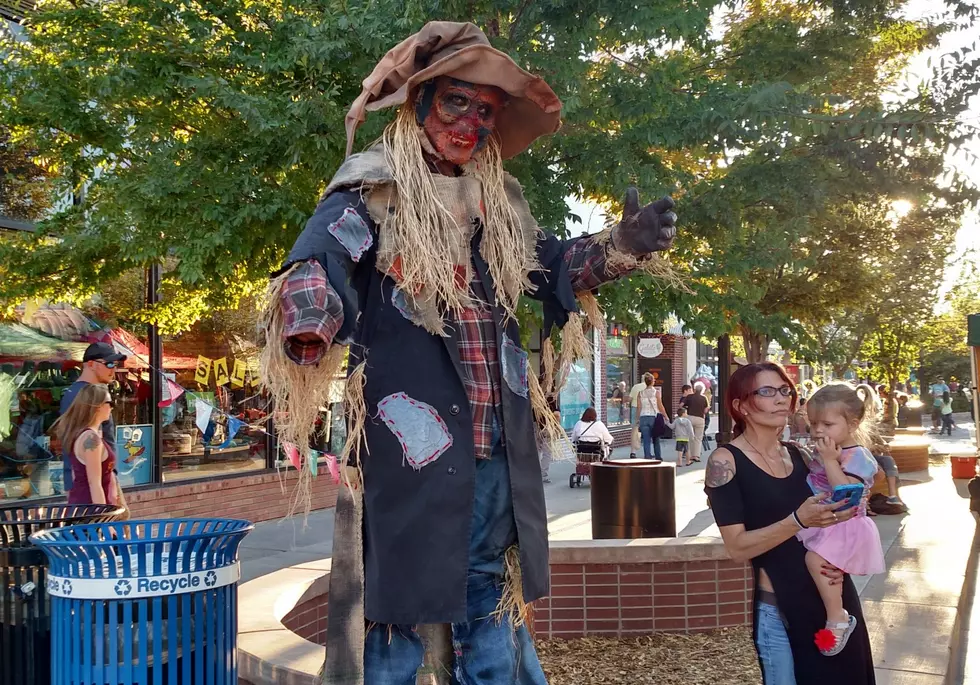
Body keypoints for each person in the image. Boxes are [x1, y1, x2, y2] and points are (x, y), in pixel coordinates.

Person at [260, 21, 680, 684]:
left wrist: (618, 246)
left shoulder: (501, 208)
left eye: (484, 112)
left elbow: (557, 266)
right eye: (456, 102)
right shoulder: (371, 192)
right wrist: (310, 312)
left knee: (489, 596)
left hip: (495, 448)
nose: (470, 122)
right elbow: (321, 258)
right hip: (411, 450)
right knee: (394, 608)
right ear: (420, 104)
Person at [705, 362, 875, 684]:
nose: (782, 399)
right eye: (767, 392)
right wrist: (797, 520)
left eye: (785, 390)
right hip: (780, 608)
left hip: (833, 603)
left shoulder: (800, 455)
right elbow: (737, 547)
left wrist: (853, 506)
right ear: (741, 406)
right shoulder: (725, 461)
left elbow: (841, 512)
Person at [799, 384, 885, 656]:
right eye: (813, 423)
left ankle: (838, 617)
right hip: (830, 520)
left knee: (816, 561)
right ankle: (835, 614)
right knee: (819, 564)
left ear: (853, 423)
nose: (818, 431)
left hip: (847, 523)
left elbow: (845, 492)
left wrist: (829, 461)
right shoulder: (832, 449)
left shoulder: (858, 456)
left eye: (827, 423)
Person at [57, 342, 126, 491]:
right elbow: (73, 443)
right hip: (89, 486)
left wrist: (112, 477)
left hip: (102, 480)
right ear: (91, 364)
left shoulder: (96, 392)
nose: (113, 369)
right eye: (109, 364)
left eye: (115, 365)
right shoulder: (78, 395)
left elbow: (107, 437)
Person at [51, 384, 119, 506]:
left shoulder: (84, 434)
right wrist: (102, 520)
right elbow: (94, 483)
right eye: (110, 403)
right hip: (89, 510)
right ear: (98, 406)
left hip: (83, 507)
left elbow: (76, 474)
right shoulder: (90, 438)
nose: (112, 408)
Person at [637, 372, 666, 459]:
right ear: (653, 381)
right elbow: (660, 406)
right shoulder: (656, 393)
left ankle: (647, 456)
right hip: (653, 417)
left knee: (646, 440)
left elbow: (639, 407)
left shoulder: (640, 393)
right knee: (656, 439)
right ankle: (658, 456)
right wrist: (665, 415)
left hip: (643, 417)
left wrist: (637, 419)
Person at [681, 382, 709, 462]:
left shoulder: (689, 397)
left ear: (694, 389)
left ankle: (688, 455)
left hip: (690, 417)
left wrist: (686, 408)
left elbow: (681, 405)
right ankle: (696, 456)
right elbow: (705, 410)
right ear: (702, 390)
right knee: (698, 438)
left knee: (690, 437)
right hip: (700, 419)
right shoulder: (704, 398)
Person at [628, 378, 647, 458]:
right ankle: (647, 452)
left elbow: (630, 399)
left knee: (634, 429)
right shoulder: (649, 388)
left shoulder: (635, 387)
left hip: (635, 407)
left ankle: (633, 451)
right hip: (646, 409)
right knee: (646, 430)